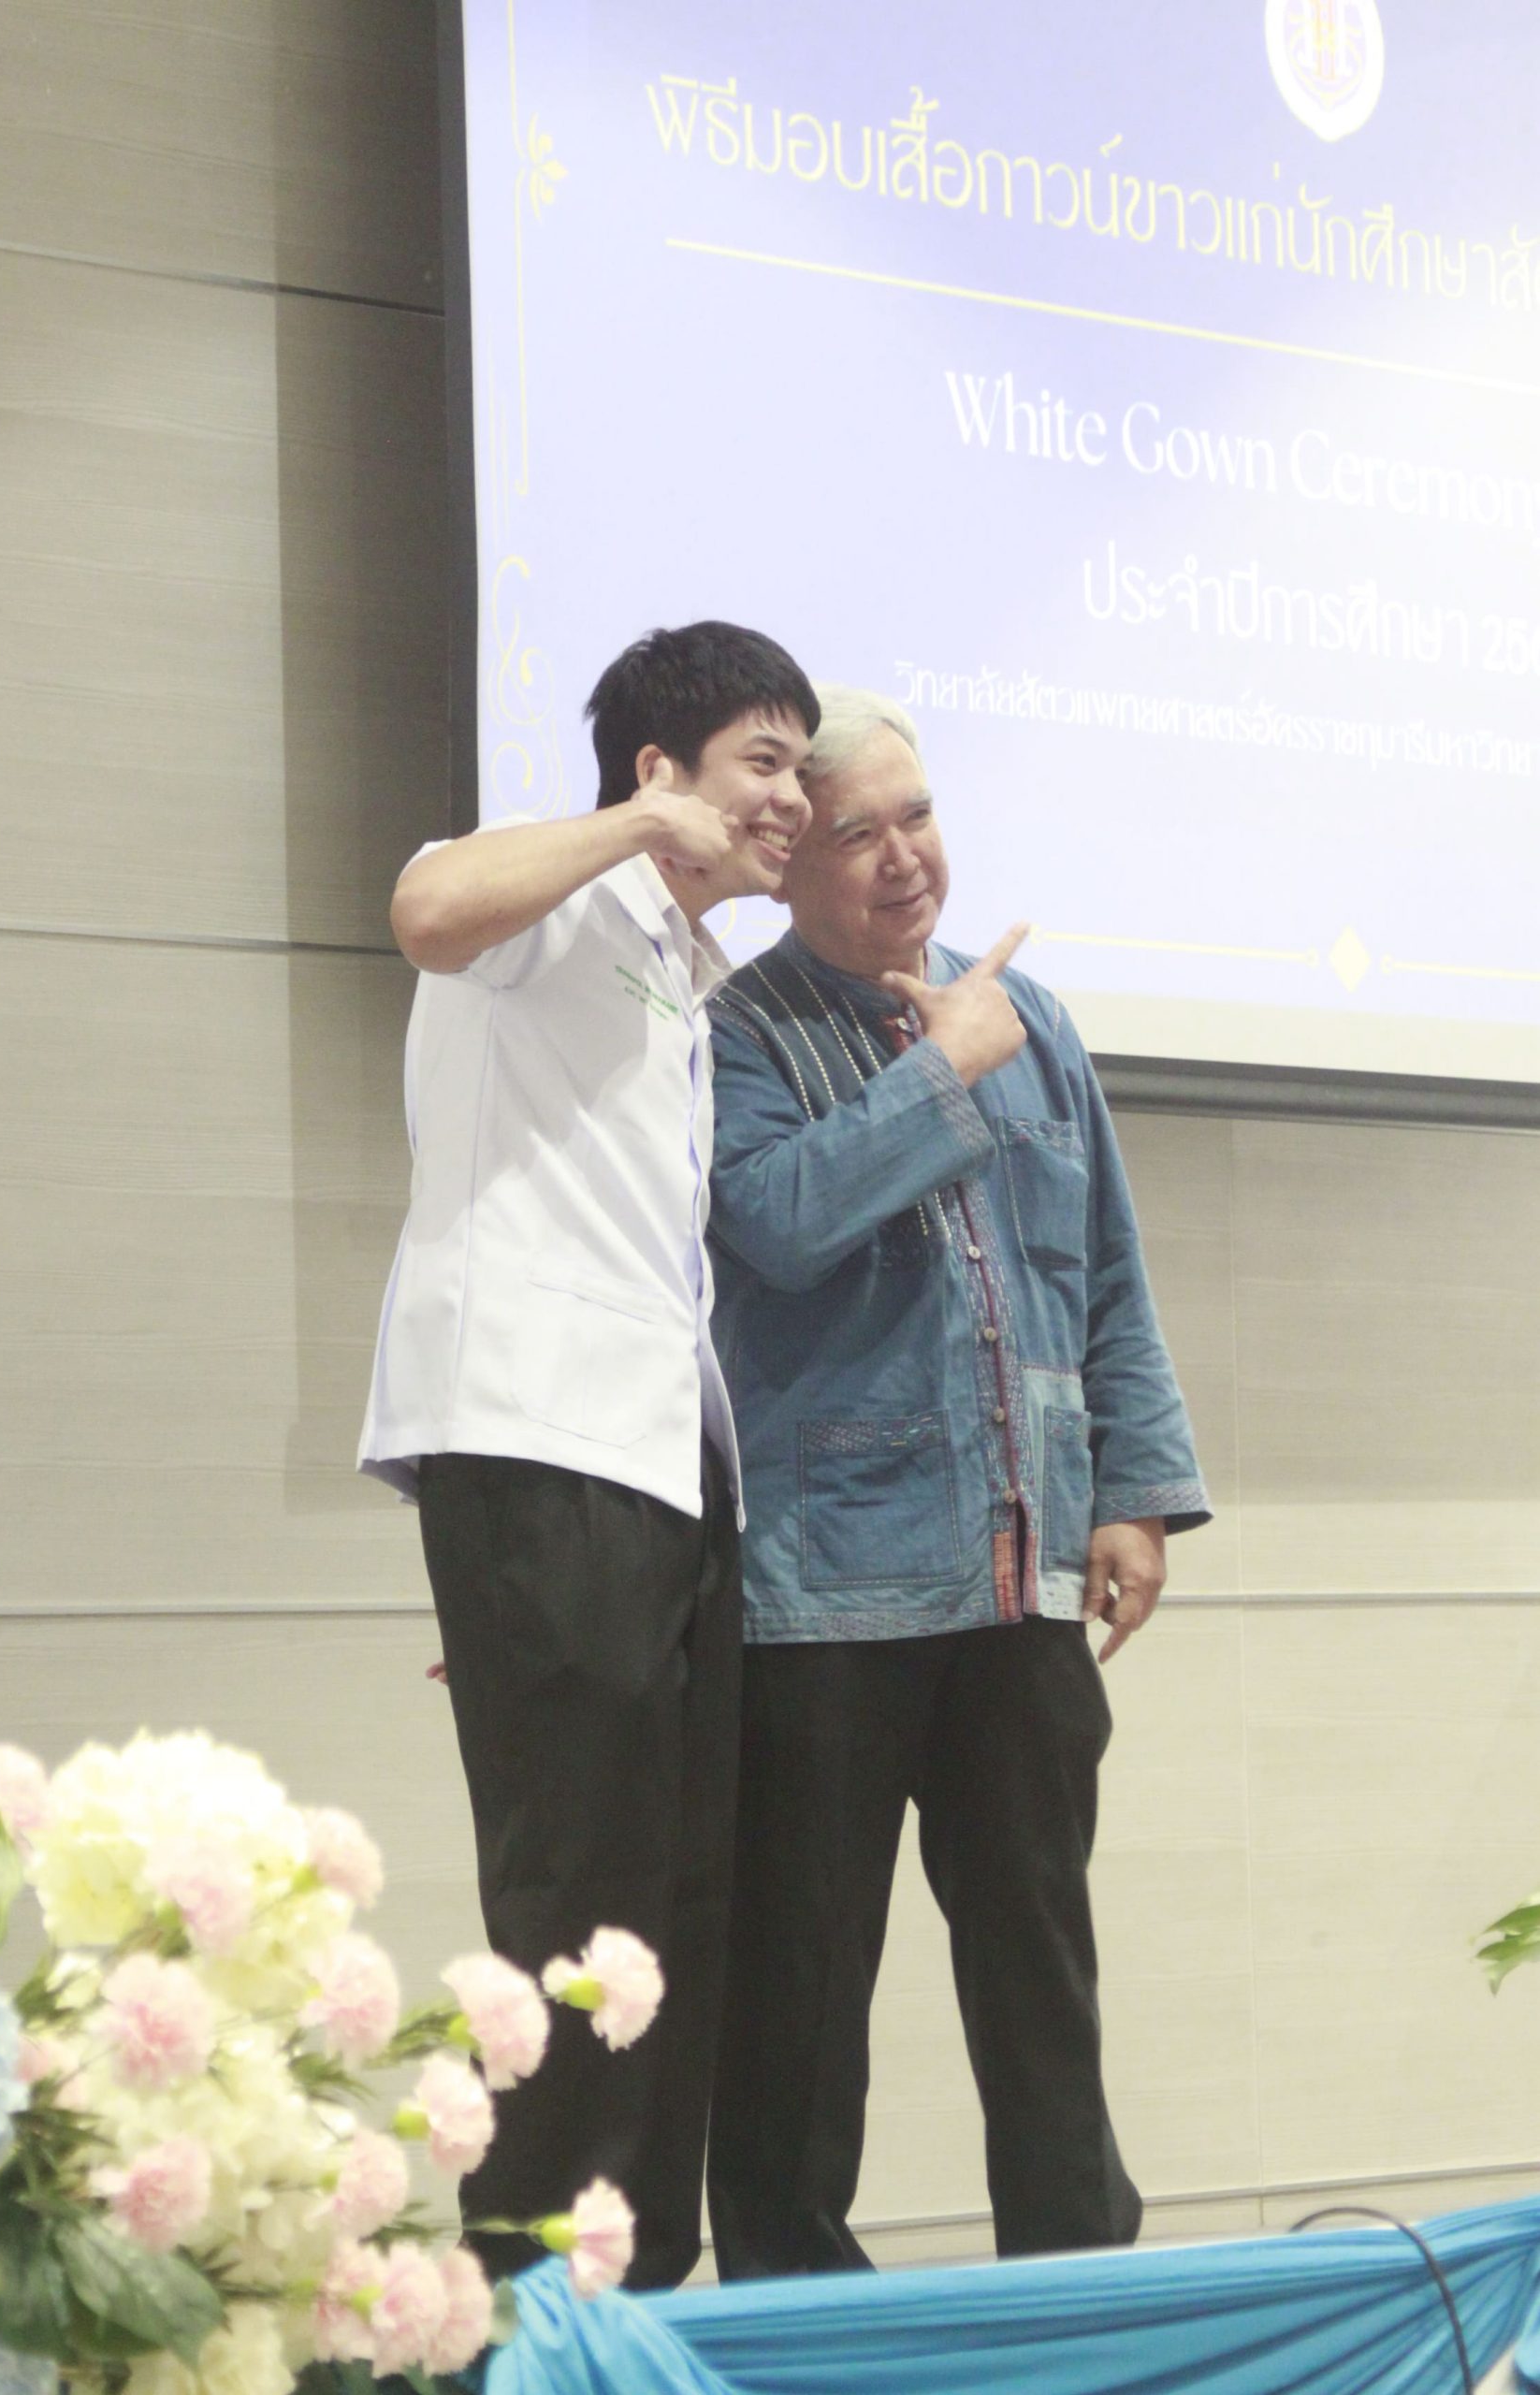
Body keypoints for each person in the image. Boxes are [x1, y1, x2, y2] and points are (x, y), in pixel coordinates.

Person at [702, 685, 1210, 2278]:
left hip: (1019, 1574)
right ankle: (794, 2316)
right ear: (787, 861)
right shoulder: (735, 1030)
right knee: (798, 1997)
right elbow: (777, 1222)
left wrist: (1133, 1494)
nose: (903, 857)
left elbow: (1108, 1269)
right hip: (825, 1595)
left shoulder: (1032, 1016)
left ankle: (1078, 2291)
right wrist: (941, 1074)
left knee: (1041, 1972)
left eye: (917, 816)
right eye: (856, 832)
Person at [357, 623, 817, 2289]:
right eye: (763, 762)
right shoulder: (558, 892)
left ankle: (637, 2280)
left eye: (800, 768)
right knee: (574, 1895)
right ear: (659, 767)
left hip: (662, 1471)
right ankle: (536, 2298)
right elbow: (424, 909)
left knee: (675, 1896)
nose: (792, 799)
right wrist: (630, 831)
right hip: (539, 1439)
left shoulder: (687, 973)